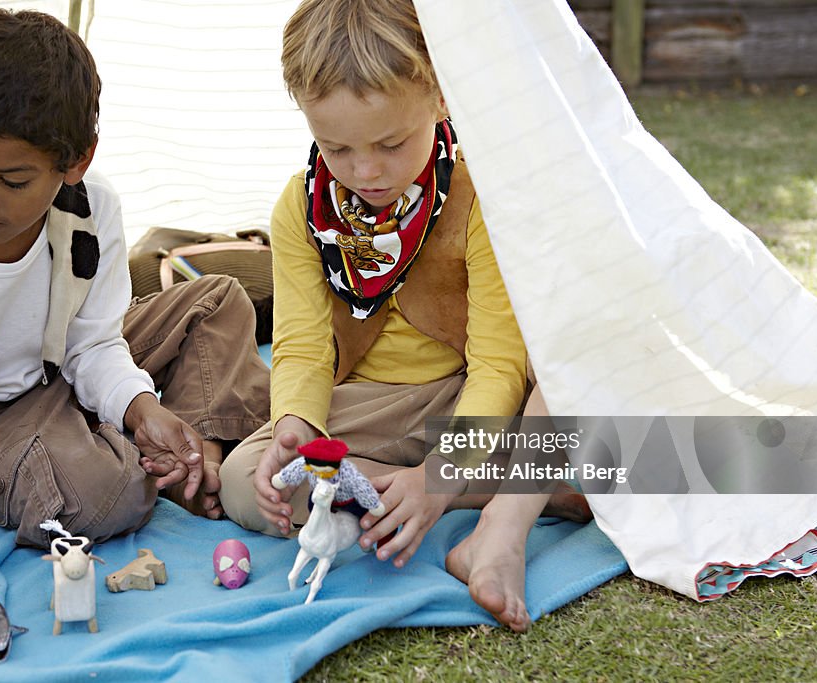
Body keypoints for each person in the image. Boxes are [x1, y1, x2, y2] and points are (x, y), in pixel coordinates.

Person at [0, 8, 269, 567]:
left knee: (218, 297)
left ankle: (186, 455)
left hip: (58, 374)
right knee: (109, 494)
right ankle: (184, 460)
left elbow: (94, 346)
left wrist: (138, 409)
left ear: (77, 160)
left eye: (12, 180)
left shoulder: (94, 207)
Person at [219, 0, 588, 630]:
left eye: (392, 143)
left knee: (577, 386)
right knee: (245, 479)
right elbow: (303, 351)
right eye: (335, 147)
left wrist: (439, 480)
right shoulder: (299, 209)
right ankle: (422, 487)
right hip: (370, 405)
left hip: (474, 398)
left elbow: (499, 366)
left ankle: (496, 531)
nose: (366, 171)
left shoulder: (480, 195)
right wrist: (296, 424)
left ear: (439, 97)